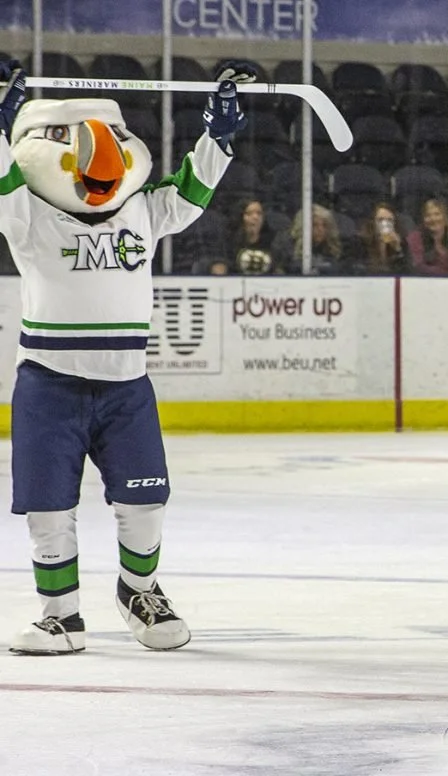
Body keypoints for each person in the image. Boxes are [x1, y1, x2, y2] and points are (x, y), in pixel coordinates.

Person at [0, 58, 257, 654]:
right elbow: (5, 184)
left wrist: (217, 135)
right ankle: (60, 615)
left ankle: (139, 590)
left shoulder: (142, 207)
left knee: (145, 499)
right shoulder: (29, 215)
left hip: (126, 385)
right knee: (47, 506)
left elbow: (191, 192)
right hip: (49, 382)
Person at [205, 196, 283, 275]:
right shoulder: (228, 242)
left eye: (259, 213)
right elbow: (220, 264)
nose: (255, 217)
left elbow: (280, 266)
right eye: (249, 214)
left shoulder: (273, 241)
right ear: (240, 217)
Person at [272, 203, 354, 275]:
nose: (320, 230)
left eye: (324, 225)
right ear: (302, 226)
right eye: (314, 225)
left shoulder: (335, 248)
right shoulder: (285, 246)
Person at [406, 198, 448, 276]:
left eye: (437, 214)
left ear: (445, 217)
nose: (433, 219)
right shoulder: (415, 238)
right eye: (428, 215)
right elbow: (418, 266)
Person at [358, 201, 411, 275]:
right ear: (373, 222)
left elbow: (407, 273)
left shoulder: (402, 243)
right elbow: (360, 269)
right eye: (380, 220)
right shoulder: (361, 242)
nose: (385, 224)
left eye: (389, 220)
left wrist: (398, 250)